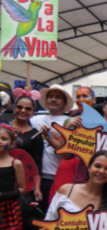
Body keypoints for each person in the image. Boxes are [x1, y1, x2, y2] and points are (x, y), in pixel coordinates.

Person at [8, 90, 44, 230]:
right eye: (20, 107)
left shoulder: (36, 135)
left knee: (26, 228)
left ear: (33, 112)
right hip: (4, 185)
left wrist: (37, 188)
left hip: (25, 190)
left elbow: (37, 165)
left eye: (27, 108)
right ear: (14, 107)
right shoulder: (3, 129)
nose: (23, 110)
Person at [31, 84, 73, 215]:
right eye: (51, 97)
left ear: (64, 102)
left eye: (58, 97)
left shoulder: (70, 122)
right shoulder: (35, 120)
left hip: (62, 178)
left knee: (58, 215)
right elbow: (21, 112)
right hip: (40, 178)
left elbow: (65, 151)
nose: (53, 99)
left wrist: (49, 135)